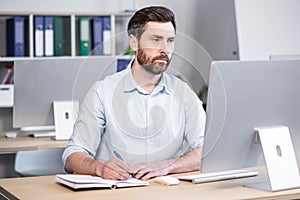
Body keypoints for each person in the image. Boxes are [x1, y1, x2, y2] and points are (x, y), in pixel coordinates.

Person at [62, 6, 206, 181]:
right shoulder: (103, 92)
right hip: (116, 192)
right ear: (134, 42)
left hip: (166, 192)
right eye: (155, 39)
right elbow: (73, 156)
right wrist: (99, 168)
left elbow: (204, 150)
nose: (164, 49)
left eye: (170, 41)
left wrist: (166, 166)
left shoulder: (184, 93)